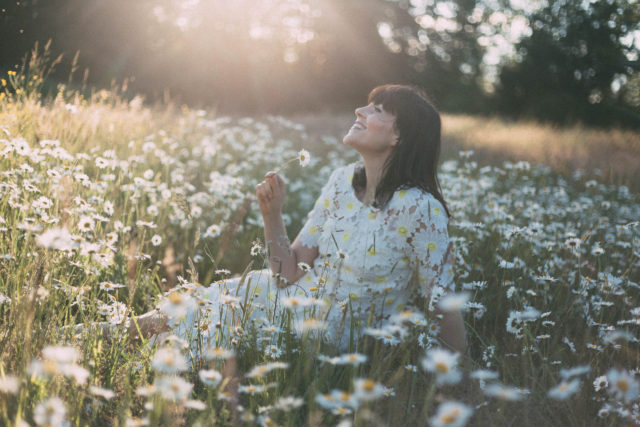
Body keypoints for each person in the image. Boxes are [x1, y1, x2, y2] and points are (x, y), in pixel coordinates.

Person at [119, 84, 466, 355]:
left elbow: (444, 306)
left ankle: (76, 343)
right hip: (286, 300)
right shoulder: (342, 182)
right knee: (186, 310)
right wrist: (273, 215)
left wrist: (459, 386)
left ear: (398, 136)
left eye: (376, 109)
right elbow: (288, 273)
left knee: (190, 325)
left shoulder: (420, 209)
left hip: (328, 337)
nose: (359, 110)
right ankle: (77, 338)